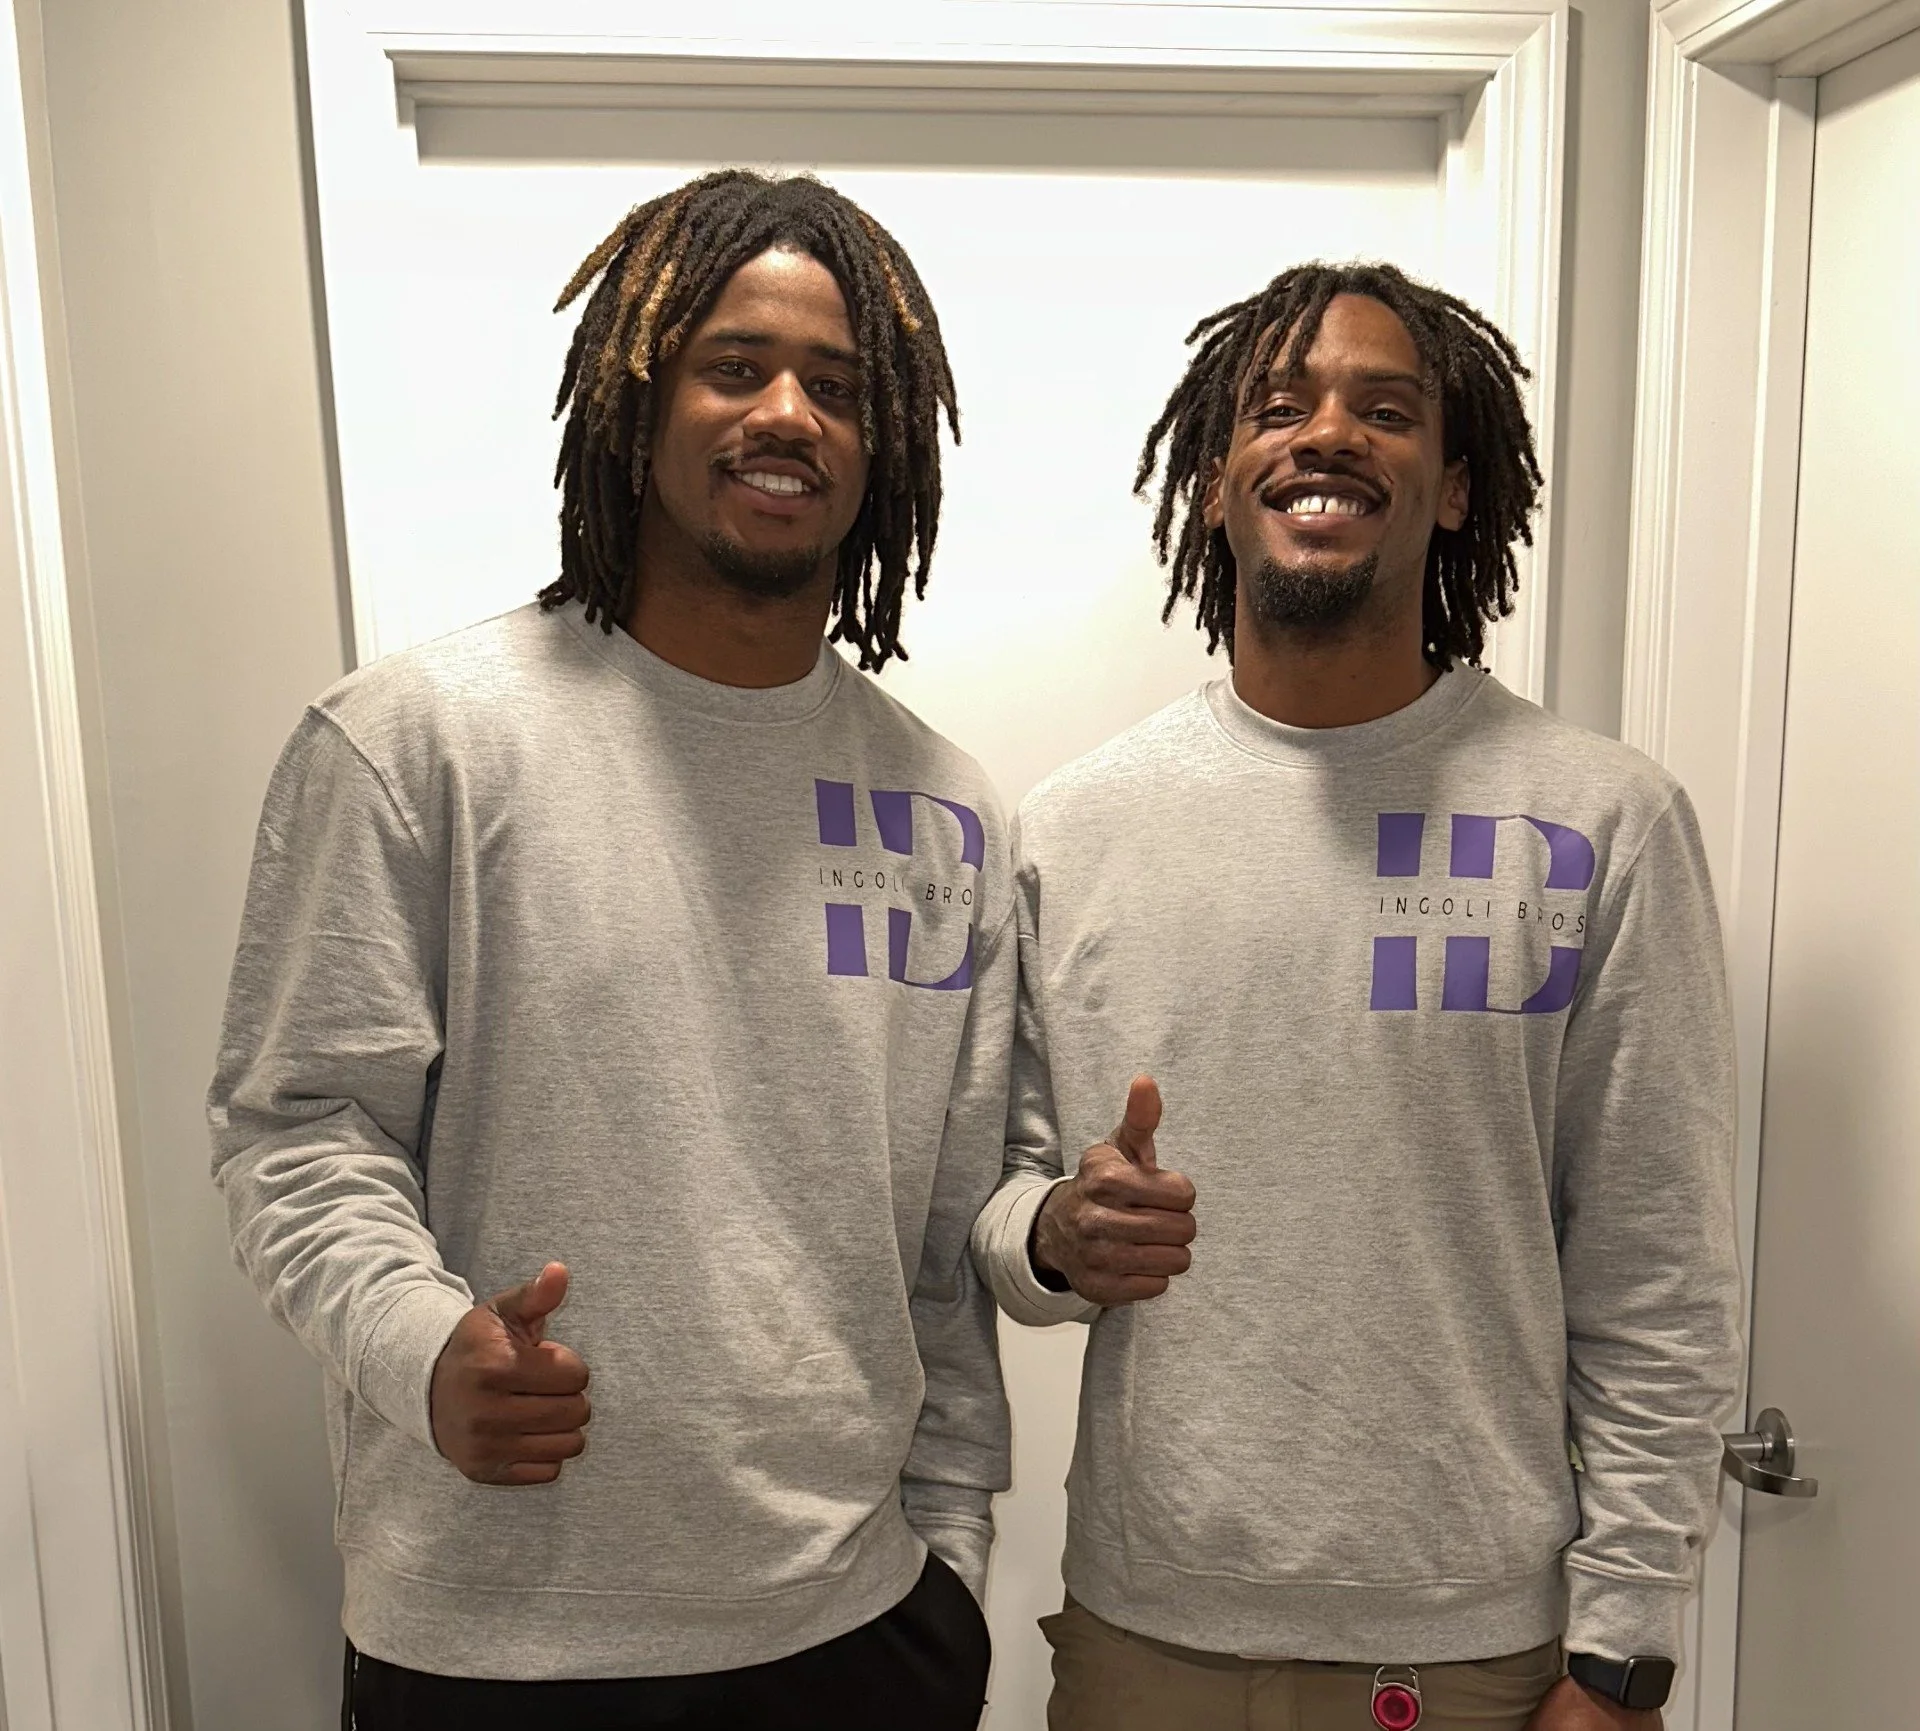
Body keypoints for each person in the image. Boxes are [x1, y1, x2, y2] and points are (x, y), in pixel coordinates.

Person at [210, 170, 1013, 1731]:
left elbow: (939, 1240)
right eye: (734, 364)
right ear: (636, 399)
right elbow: (297, 1129)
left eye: (837, 386)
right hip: (501, 1644)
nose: (788, 410)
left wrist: (957, 1567)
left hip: (860, 1632)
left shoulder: (946, 809)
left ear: (888, 437)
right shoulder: (415, 743)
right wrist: (425, 1345)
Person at [971, 263, 1743, 1731]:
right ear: (1216, 483)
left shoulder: (1600, 818)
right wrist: (1062, 1234)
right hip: (1146, 1639)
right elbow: (995, 1218)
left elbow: (1658, 1265)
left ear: (1454, 490)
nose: (1327, 434)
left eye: (1384, 410)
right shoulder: (1077, 827)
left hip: (1470, 1658)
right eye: (1281, 405)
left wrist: (1622, 1646)